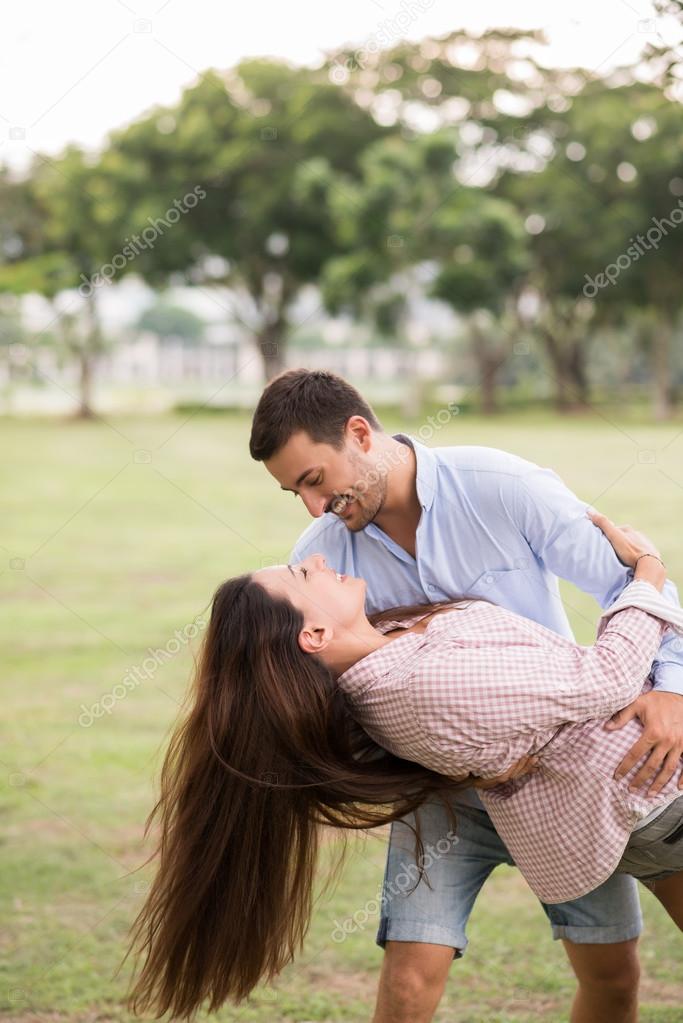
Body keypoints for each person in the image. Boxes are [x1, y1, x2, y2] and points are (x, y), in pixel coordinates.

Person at [247, 369, 683, 1023]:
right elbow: (321, 698)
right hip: (440, 794)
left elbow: (626, 580)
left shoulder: (501, 485)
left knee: (613, 977)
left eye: (313, 480)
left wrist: (672, 689)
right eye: (294, 492)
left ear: (359, 434)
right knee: (405, 988)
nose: (312, 507)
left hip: (568, 778)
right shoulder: (320, 559)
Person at [123, 517, 683, 1021]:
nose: (318, 558)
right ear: (313, 635)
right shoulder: (417, 685)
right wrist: (647, 570)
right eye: (301, 573)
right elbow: (606, 677)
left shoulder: (391, 643)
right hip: (658, 796)